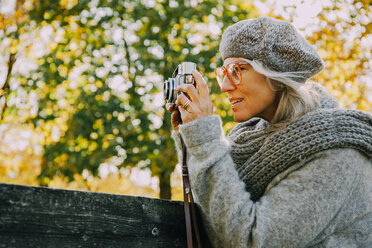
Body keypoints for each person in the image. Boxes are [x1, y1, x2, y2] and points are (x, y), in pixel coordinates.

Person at [166, 17, 372, 247]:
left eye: (236, 70)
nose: (224, 86)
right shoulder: (247, 138)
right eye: (222, 72)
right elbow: (218, 215)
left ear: (276, 74)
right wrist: (193, 139)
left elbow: (253, 240)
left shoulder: (337, 151)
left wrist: (204, 140)